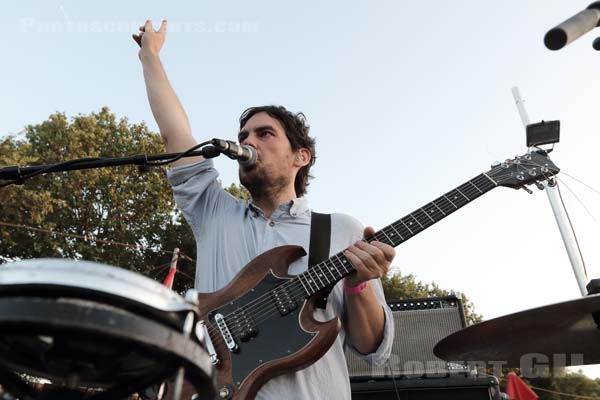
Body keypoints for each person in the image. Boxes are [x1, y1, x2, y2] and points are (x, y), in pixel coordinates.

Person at [133, 20, 395, 400]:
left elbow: (372, 349)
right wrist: (150, 57)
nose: (247, 141)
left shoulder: (341, 230)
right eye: (243, 136)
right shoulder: (214, 211)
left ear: (300, 157)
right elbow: (176, 135)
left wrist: (358, 284)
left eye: (264, 133)